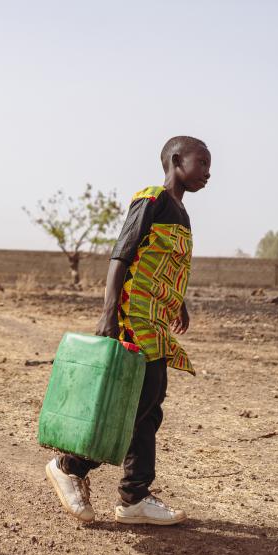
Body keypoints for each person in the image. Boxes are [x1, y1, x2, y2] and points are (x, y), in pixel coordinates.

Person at [46, 136, 212, 526]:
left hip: (155, 318)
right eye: (202, 162)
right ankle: (70, 467)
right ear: (176, 160)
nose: (208, 172)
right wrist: (108, 313)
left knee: (150, 405)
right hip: (132, 313)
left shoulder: (182, 213)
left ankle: (134, 497)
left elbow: (164, 264)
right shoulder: (152, 199)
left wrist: (179, 302)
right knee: (136, 401)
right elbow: (121, 255)